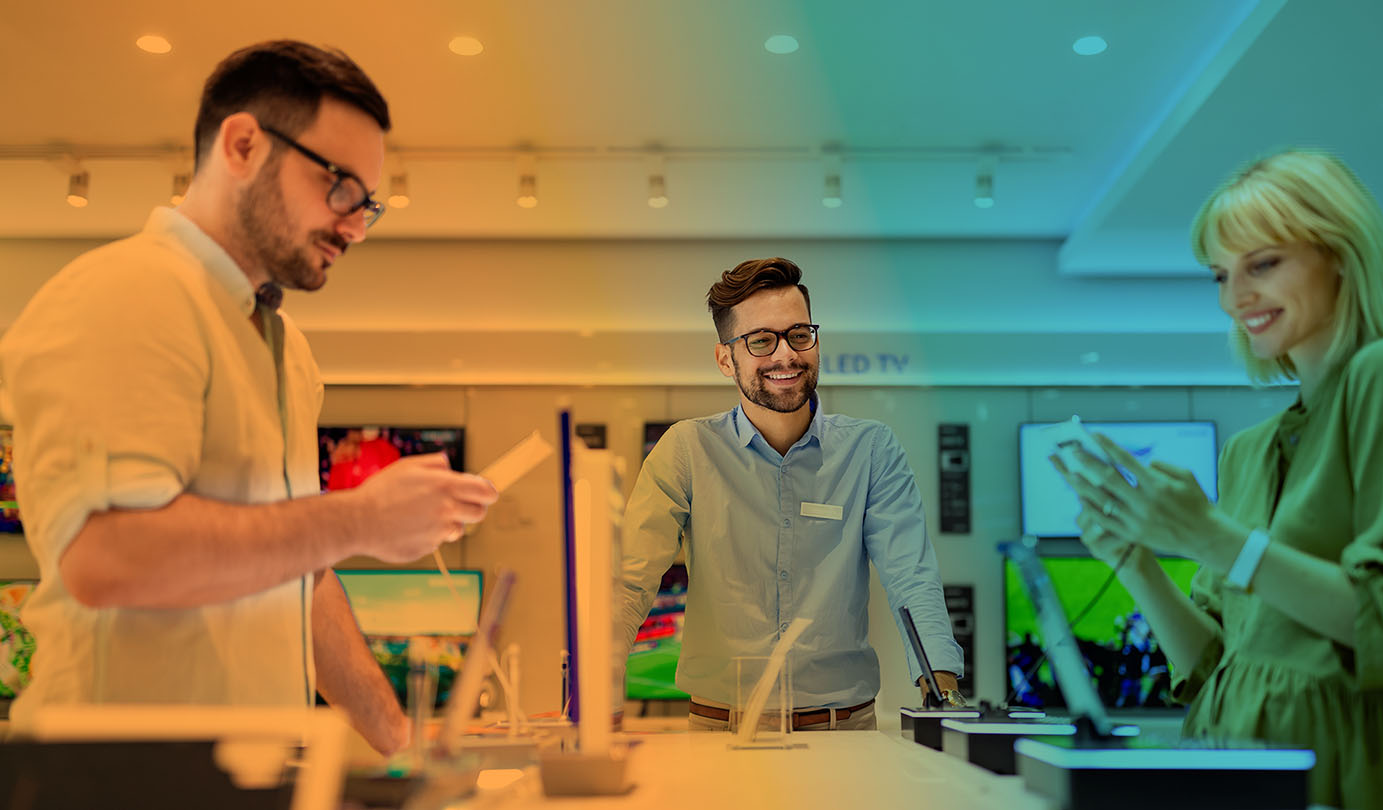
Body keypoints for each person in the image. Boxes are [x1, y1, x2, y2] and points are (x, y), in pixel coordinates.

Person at [0, 41, 497, 754]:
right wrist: (356, 520)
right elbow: (108, 557)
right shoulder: (124, 294)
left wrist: (403, 746)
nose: (356, 225)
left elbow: (302, 574)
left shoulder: (285, 348)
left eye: (369, 204)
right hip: (119, 782)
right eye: (340, 187)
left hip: (251, 776)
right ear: (241, 145)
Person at [1053, 149, 1383, 809]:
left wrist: (1215, 539)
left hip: (1352, 772)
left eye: (1263, 264)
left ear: (1342, 256)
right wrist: (1135, 563)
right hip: (1239, 764)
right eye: (1220, 276)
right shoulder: (1248, 451)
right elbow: (1214, 671)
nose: (1237, 299)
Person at [614, 258, 964, 731]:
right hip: (720, 733)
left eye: (799, 335)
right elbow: (632, 579)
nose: (786, 355)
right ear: (725, 359)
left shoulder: (871, 449)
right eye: (761, 340)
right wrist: (594, 682)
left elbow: (911, 578)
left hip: (844, 732)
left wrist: (943, 695)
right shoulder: (686, 449)